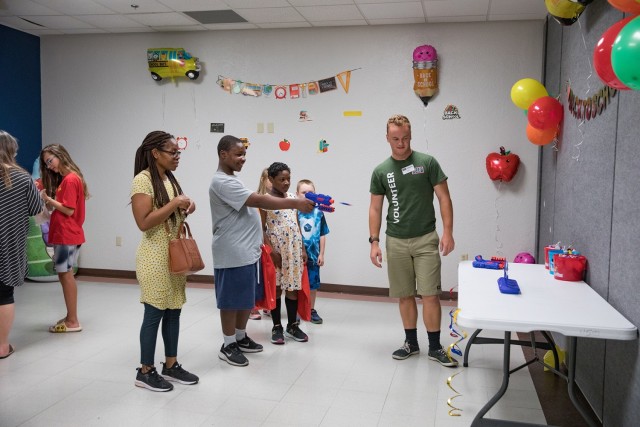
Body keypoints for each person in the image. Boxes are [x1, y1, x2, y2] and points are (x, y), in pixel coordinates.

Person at [209, 136, 313, 366]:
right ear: (223, 155)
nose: (243, 158)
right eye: (238, 154)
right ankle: (228, 345)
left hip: (247, 252)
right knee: (230, 301)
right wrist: (296, 203)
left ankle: (240, 336)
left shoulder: (232, 179)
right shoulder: (222, 182)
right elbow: (258, 200)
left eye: (244, 153)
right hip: (231, 252)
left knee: (246, 299)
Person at [368, 114, 457, 367]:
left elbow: (444, 199)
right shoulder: (381, 171)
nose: (401, 144)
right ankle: (411, 343)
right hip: (395, 241)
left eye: (405, 138)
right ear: (387, 138)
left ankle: (435, 347)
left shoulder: (427, 163)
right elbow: (375, 208)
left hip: (426, 238)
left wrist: (448, 232)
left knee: (430, 295)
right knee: (405, 295)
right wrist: (374, 242)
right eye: (395, 139)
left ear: (411, 135)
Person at [130, 131, 199, 392]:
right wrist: (174, 204)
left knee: (174, 311)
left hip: (172, 255)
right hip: (153, 258)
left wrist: (187, 206)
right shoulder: (142, 180)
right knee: (154, 313)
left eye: (179, 152)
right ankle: (145, 371)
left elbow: (169, 212)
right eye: (173, 152)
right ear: (156, 153)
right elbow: (144, 223)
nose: (177, 156)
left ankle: (171, 365)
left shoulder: (168, 178)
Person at [0, 131, 44, 359]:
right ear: (11, 151)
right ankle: (2, 346)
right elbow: (37, 212)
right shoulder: (22, 178)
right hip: (8, 245)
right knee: (4, 295)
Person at [40, 144, 89, 334]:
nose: (49, 166)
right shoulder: (69, 179)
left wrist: (47, 199)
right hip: (67, 234)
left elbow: (68, 210)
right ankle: (71, 316)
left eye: (50, 161)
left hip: (66, 235)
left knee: (66, 275)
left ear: (60, 156)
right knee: (65, 274)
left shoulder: (69, 180)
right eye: (46, 164)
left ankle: (73, 320)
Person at [260, 162, 309, 345]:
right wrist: (271, 253)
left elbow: (296, 223)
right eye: (282, 179)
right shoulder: (264, 200)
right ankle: (277, 326)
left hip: (293, 250)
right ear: (271, 180)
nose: (286, 182)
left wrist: (302, 248)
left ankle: (292, 326)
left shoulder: (292, 198)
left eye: (288, 178)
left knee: (293, 288)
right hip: (277, 252)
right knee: (277, 288)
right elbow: (261, 229)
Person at [296, 179, 330, 324]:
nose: (308, 195)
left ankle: (311, 309)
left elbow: (323, 234)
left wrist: (321, 254)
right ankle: (296, 311)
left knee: (313, 285)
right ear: (297, 195)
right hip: (297, 257)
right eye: (304, 192)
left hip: (313, 256)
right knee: (296, 284)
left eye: (311, 192)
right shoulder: (294, 212)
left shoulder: (319, 213)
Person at [249, 168, 272, 321]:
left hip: (272, 243)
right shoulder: (256, 200)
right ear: (263, 180)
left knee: (269, 276)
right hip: (258, 243)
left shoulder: (279, 199)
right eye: (270, 179)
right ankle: (252, 307)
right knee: (256, 277)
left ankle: (267, 304)